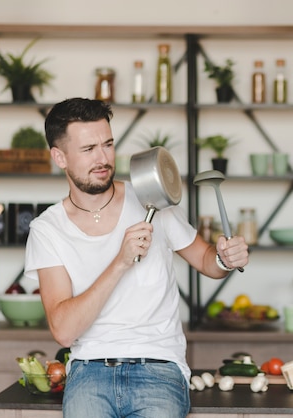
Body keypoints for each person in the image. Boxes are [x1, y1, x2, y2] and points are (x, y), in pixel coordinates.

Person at [24, 97, 249, 418]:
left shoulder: (150, 197)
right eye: (88, 150)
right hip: (89, 371)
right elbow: (63, 330)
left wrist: (226, 258)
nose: (103, 158)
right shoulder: (47, 229)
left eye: (108, 144)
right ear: (59, 156)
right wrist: (120, 262)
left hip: (158, 367)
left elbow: (207, 262)